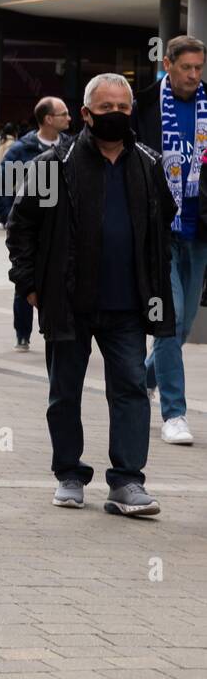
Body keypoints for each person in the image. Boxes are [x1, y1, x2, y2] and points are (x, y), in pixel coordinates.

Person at [7, 73, 175, 517]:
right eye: (106, 110)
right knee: (65, 391)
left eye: (123, 108)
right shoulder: (52, 163)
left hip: (128, 305)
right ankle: (68, 473)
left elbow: (163, 228)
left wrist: (158, 284)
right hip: (68, 301)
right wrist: (28, 283)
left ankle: (127, 483)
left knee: (132, 389)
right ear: (85, 115)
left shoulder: (148, 163)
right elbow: (20, 225)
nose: (116, 116)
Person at [135, 35, 207, 446]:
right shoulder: (142, 104)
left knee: (181, 329)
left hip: (199, 231)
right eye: (187, 68)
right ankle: (174, 413)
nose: (194, 75)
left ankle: (143, 378)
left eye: (199, 68)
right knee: (172, 319)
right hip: (159, 229)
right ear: (167, 64)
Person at [0, 99, 72, 351]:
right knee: (26, 276)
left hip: (60, 225)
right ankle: (22, 332)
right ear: (49, 119)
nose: (69, 118)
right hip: (31, 224)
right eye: (63, 114)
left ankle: (57, 328)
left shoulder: (71, 146)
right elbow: (3, 181)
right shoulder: (22, 148)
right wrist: (10, 214)